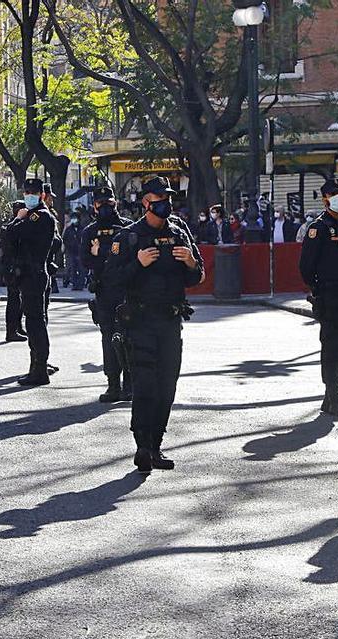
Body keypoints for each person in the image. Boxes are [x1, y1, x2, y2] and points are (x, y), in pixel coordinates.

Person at [102, 176, 204, 473]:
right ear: (145, 203)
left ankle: (156, 444)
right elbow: (111, 281)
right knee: (145, 387)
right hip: (140, 321)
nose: (165, 204)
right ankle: (143, 446)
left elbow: (197, 277)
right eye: (159, 199)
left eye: (168, 198)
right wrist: (138, 263)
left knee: (166, 387)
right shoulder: (129, 237)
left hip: (171, 321)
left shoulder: (179, 232)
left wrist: (191, 263)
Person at [300, 178, 338, 419]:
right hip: (328, 292)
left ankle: (330, 393)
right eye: (335, 194)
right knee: (332, 345)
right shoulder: (318, 228)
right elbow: (306, 265)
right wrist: (316, 289)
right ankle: (334, 395)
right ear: (325, 198)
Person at [82, 186, 133, 403]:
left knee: (128, 337)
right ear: (94, 206)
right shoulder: (89, 231)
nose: (105, 207)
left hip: (126, 291)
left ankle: (129, 384)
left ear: (116, 203)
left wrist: (101, 252)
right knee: (108, 338)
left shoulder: (128, 228)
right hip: (103, 291)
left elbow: (129, 257)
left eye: (108, 203)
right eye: (100, 204)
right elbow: (85, 260)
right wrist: (103, 256)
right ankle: (113, 384)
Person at [8, 178, 57, 386]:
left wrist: (17, 219)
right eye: (26, 191)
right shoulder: (33, 215)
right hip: (30, 274)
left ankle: (39, 369)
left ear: (41, 195)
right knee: (34, 321)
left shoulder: (39, 216)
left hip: (34, 274)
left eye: (32, 192)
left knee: (35, 323)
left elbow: (10, 233)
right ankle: (35, 366)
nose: (28, 195)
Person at [0, 200, 28, 342]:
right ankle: (11, 331)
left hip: (18, 265)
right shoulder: (11, 226)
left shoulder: (17, 225)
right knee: (14, 300)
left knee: (19, 299)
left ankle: (18, 326)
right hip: (12, 267)